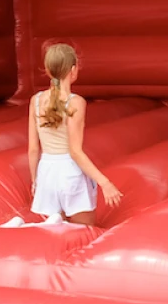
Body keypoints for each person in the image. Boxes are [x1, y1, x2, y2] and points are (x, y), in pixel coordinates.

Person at [23, 43, 122, 226]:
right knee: (83, 236)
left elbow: (33, 149)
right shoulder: (75, 102)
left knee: (53, 239)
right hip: (69, 173)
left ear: (48, 70)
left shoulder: (35, 101)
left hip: (46, 173)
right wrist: (105, 182)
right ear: (73, 70)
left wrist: (35, 180)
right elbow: (75, 151)